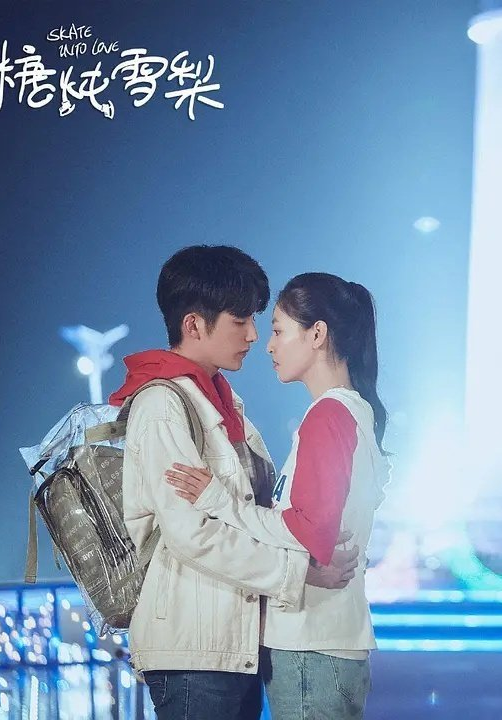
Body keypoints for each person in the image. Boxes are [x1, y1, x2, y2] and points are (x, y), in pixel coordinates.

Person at [112, 247, 359, 720]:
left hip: (233, 645)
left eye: (256, 321)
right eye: (240, 321)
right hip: (192, 652)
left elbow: (252, 509)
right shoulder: (162, 406)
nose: (253, 335)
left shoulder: (222, 401)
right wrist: (300, 572)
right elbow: (192, 534)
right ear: (193, 325)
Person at [165, 272, 390, 719]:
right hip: (327, 641)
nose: (267, 345)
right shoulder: (352, 412)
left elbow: (310, 531)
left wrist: (220, 501)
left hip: (311, 644)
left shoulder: (328, 414)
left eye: (279, 330)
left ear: (317, 334)